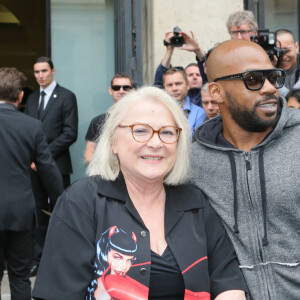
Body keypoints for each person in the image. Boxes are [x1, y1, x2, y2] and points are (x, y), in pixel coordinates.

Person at [32, 86, 247, 299]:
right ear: (114, 141)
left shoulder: (195, 201)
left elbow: (228, 280)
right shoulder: (82, 201)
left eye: (167, 132)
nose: (155, 143)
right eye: (140, 131)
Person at [189, 39, 300, 299]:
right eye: (253, 79)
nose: (270, 88)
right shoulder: (192, 162)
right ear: (216, 92)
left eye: (273, 77)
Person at [0, 67, 63, 300]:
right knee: (19, 277)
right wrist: (60, 202)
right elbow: (49, 171)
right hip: (20, 212)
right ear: (20, 97)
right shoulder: (31, 126)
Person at [24, 56, 78, 275]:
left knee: (60, 210)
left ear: (53, 71)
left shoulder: (66, 96)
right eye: (36, 72)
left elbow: (70, 132)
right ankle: (38, 259)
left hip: (56, 165)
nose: (40, 76)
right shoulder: (32, 97)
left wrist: (42, 156)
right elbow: (27, 130)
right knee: (37, 211)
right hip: (33, 166)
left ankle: (62, 257)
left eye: (44, 71)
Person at [84, 73, 134, 164]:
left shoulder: (141, 119)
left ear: (133, 90)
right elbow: (89, 155)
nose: (121, 90)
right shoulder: (97, 121)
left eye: (126, 87)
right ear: (110, 90)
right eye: (116, 88)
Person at [153, 31, 203, 106]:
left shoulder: (204, 102)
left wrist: (198, 50)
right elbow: (159, 82)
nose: (174, 88)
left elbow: (209, 73)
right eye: (190, 75)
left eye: (198, 75)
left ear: (187, 84)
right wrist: (169, 50)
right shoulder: (163, 107)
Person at [163, 67, 206, 135]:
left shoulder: (200, 113)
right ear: (164, 87)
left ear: (188, 85)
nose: (174, 89)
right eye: (170, 85)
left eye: (178, 84)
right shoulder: (158, 112)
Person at [276, 29, 300, 97]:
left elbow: (293, 99)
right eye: (279, 52)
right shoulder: (270, 67)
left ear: (297, 47)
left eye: (287, 51)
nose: (283, 56)